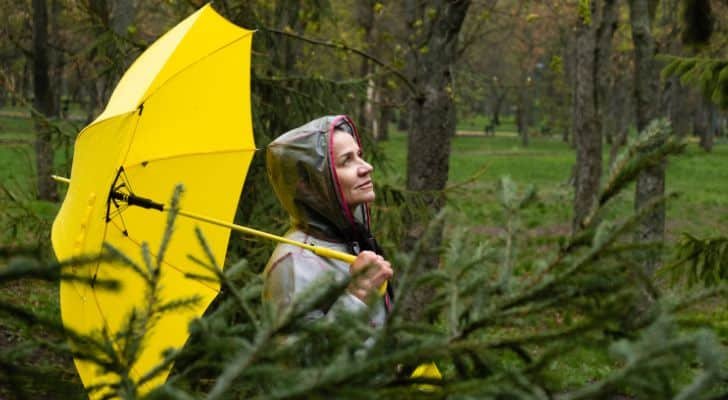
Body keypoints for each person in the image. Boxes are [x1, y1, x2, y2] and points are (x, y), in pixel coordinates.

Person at [263, 115, 393, 326]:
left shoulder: (350, 241)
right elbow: (296, 355)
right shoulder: (294, 263)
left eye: (359, 155)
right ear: (307, 183)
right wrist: (357, 295)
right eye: (346, 161)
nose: (366, 167)